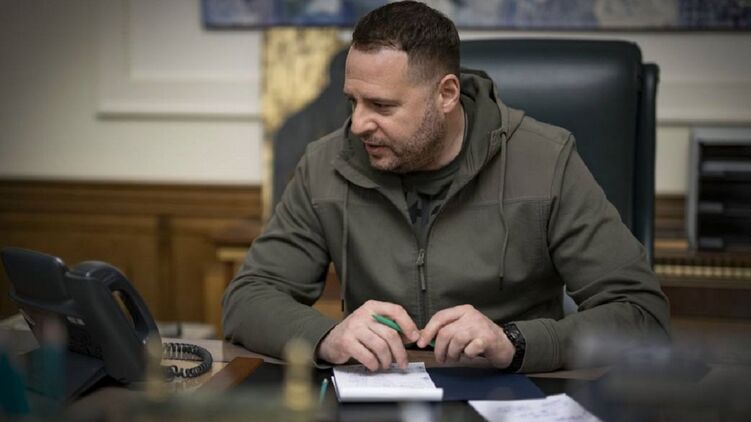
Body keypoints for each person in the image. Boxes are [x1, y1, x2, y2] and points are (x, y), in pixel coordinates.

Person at [223, 1, 670, 373]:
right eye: (353, 102)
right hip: (379, 395)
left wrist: (515, 342)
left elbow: (641, 313)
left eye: (381, 105)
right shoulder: (326, 164)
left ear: (447, 94)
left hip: (514, 396)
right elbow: (247, 298)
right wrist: (326, 336)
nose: (358, 124)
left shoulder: (546, 160)